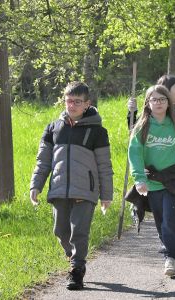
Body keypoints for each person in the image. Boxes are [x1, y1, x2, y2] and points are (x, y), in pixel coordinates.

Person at [29, 81, 113, 290]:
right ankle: (73, 255)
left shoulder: (98, 132)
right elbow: (43, 160)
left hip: (86, 190)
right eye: (68, 101)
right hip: (58, 189)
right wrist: (36, 185)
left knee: (79, 232)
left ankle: (77, 270)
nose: (72, 105)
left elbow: (104, 165)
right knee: (60, 231)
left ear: (87, 104)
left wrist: (106, 195)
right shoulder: (53, 128)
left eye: (77, 102)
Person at [128, 84, 175, 277]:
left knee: (170, 218)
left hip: (173, 180)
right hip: (152, 182)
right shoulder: (141, 128)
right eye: (154, 99)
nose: (158, 103)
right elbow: (135, 155)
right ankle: (174, 256)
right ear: (148, 103)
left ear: (168, 102)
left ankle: (169, 256)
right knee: (160, 221)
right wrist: (139, 179)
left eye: (162, 99)